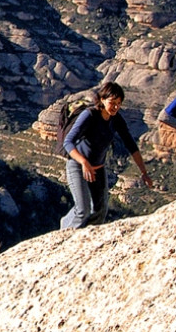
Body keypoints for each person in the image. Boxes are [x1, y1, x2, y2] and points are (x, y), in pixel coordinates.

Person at [60, 81, 153, 230]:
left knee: (99, 211)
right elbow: (68, 142)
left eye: (118, 103)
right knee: (82, 210)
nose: (116, 107)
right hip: (78, 166)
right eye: (112, 102)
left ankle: (84, 241)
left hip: (98, 168)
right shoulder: (89, 115)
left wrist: (144, 172)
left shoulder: (116, 119)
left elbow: (131, 145)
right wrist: (84, 162)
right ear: (102, 100)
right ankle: (65, 232)